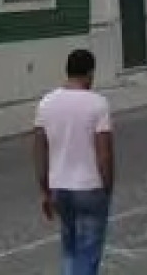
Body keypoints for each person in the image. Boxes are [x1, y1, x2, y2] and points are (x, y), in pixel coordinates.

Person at [32, 49, 115, 275]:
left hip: (60, 187)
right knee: (88, 253)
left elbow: (40, 150)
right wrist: (107, 188)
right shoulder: (98, 104)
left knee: (69, 249)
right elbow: (104, 154)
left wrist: (44, 191)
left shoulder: (46, 104)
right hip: (90, 186)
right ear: (90, 73)